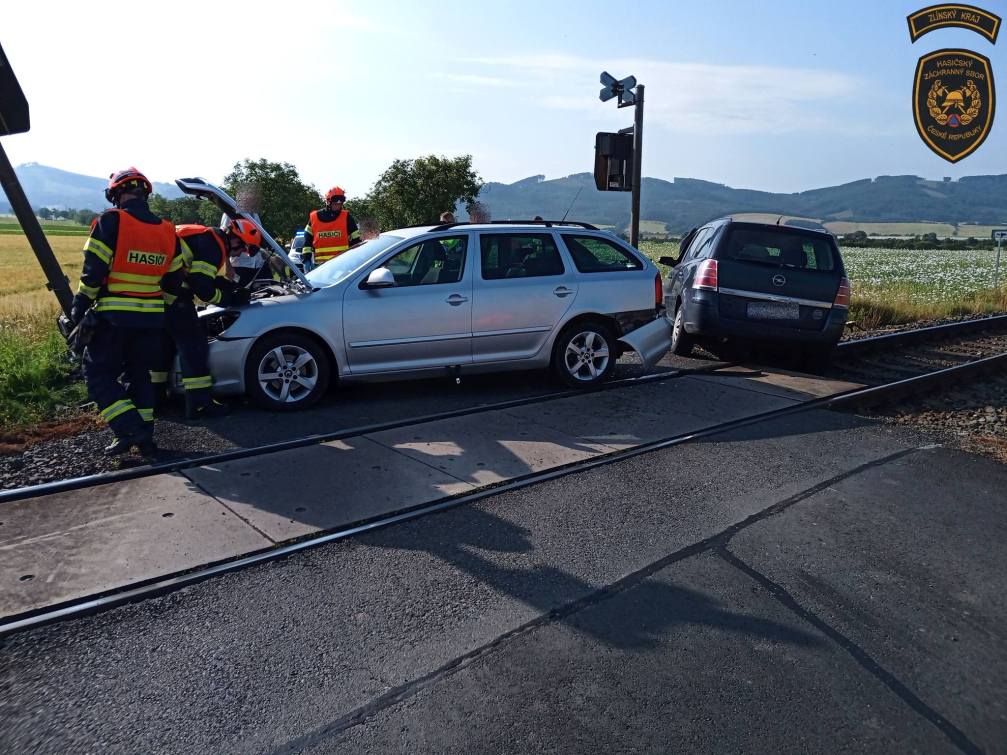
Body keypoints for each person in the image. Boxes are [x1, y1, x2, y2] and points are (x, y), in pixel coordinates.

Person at [70, 168, 185, 456]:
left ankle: (127, 426)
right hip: (151, 321)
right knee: (139, 374)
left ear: (116, 194)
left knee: (97, 372)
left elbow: (93, 271)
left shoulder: (111, 221)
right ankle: (145, 438)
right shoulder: (167, 230)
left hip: (114, 317)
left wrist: (79, 306)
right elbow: (173, 282)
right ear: (145, 193)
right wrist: (162, 308)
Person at [153, 220, 261, 419]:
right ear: (234, 238)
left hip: (159, 295)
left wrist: (222, 284)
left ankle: (154, 401)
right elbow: (201, 288)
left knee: (163, 348)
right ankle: (200, 405)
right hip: (174, 297)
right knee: (194, 346)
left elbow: (195, 274)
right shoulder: (213, 246)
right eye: (242, 248)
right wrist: (229, 299)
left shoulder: (205, 237)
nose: (239, 254)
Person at [303, 186, 361, 267]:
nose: (338, 207)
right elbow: (307, 241)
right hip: (320, 267)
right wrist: (306, 259)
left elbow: (356, 240)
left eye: (340, 204)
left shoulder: (346, 217)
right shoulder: (314, 217)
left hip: (343, 264)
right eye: (335, 204)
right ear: (328, 202)